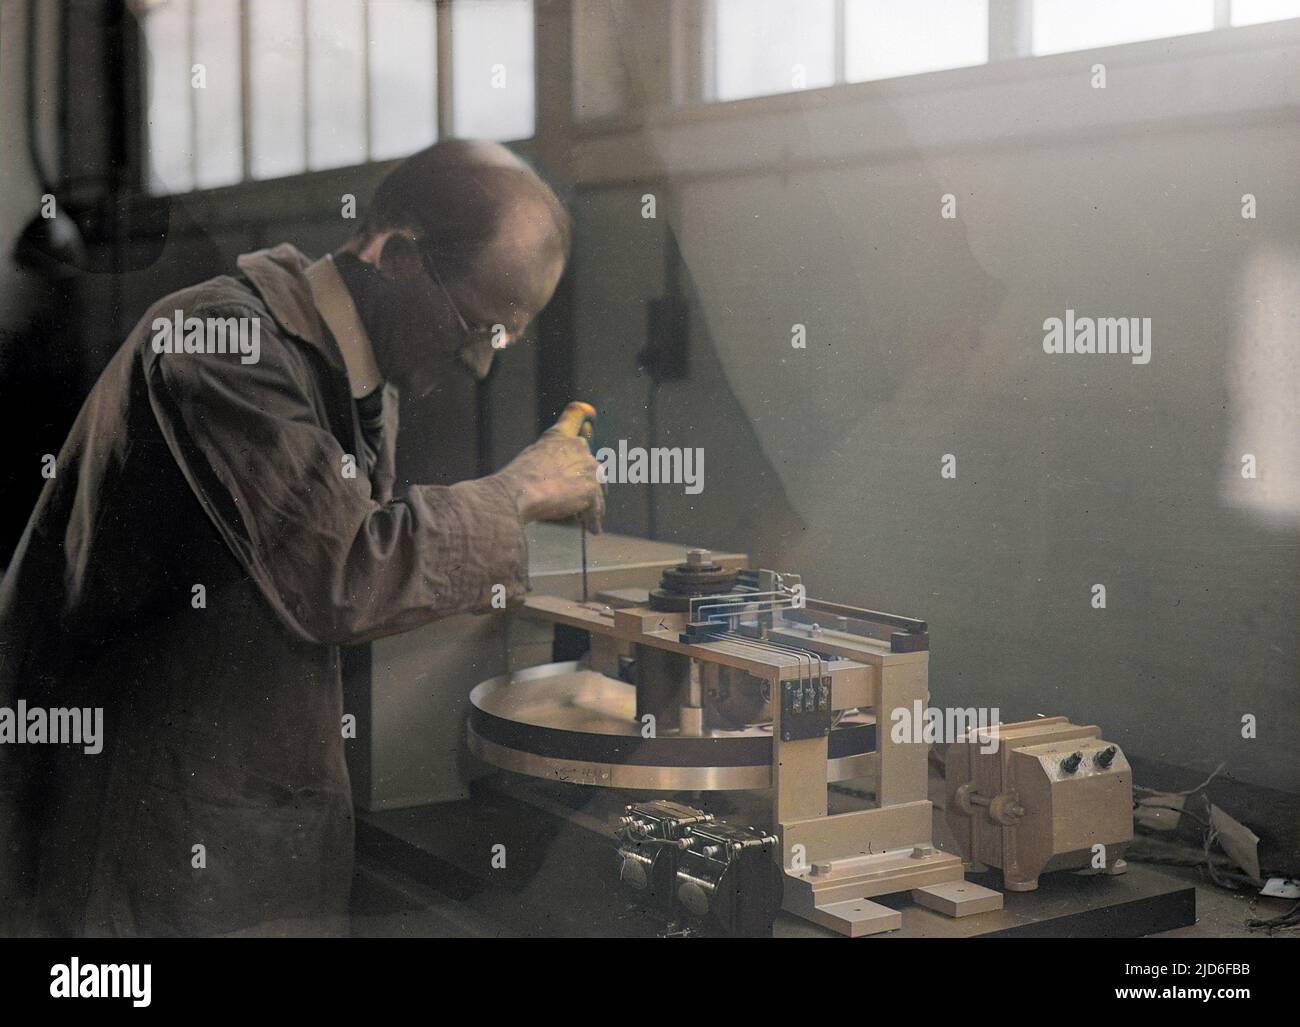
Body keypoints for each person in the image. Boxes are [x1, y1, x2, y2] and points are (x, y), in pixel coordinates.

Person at [0, 139, 602, 937]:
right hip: (133, 837)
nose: (480, 368)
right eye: (474, 328)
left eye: (504, 341)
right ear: (397, 254)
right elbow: (343, 569)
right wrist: (521, 489)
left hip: (232, 818)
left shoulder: (351, 382)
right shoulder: (219, 344)